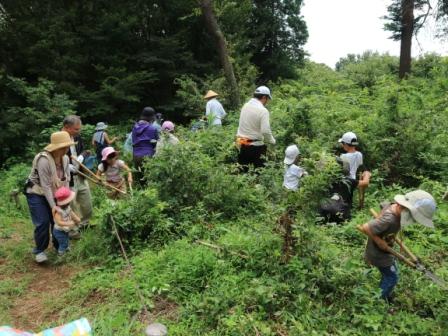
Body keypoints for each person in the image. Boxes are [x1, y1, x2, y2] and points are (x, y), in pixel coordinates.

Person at [358, 190, 436, 303]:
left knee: (391, 271)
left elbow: (384, 205)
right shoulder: (389, 219)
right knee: (392, 277)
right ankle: (377, 300)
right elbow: (365, 227)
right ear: (404, 208)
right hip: (378, 252)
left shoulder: (394, 207)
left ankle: (384, 292)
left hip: (385, 249)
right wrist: (379, 240)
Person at [25, 131, 73, 263]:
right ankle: (39, 250)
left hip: (55, 192)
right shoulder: (43, 160)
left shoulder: (65, 159)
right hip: (37, 193)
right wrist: (55, 208)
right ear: (56, 147)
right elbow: (45, 186)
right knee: (43, 221)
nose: (66, 149)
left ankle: (59, 246)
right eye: (64, 147)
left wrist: (65, 203)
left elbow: (66, 181)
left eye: (67, 146)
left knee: (57, 221)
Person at [62, 115, 93, 235]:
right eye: (76, 129)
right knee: (72, 205)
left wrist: (81, 157)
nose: (78, 131)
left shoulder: (77, 137)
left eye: (79, 129)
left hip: (80, 175)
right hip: (67, 179)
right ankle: (73, 231)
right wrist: (66, 166)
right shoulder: (59, 138)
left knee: (87, 202)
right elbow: (55, 158)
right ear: (66, 127)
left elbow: (82, 151)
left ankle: (84, 224)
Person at [319, 158, 371, 224]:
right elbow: (365, 183)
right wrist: (367, 174)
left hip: (324, 213)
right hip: (341, 214)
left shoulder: (325, 180)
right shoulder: (349, 180)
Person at [236, 86, 276, 171]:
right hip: (255, 146)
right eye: (267, 99)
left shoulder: (245, 106)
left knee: (242, 172)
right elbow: (265, 131)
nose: (267, 102)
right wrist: (272, 141)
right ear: (264, 97)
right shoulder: (263, 111)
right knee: (259, 173)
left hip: (241, 143)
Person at [132, 107, 159, 183]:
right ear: (151, 117)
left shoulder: (134, 128)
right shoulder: (153, 128)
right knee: (149, 179)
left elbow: (133, 141)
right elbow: (158, 142)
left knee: (140, 179)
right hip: (148, 156)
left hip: (136, 155)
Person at [52, 186, 80, 256]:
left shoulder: (67, 207)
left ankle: (66, 247)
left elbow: (71, 213)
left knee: (66, 238)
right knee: (63, 242)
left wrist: (76, 219)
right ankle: (61, 254)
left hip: (65, 230)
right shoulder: (58, 211)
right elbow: (58, 222)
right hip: (58, 231)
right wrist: (69, 223)